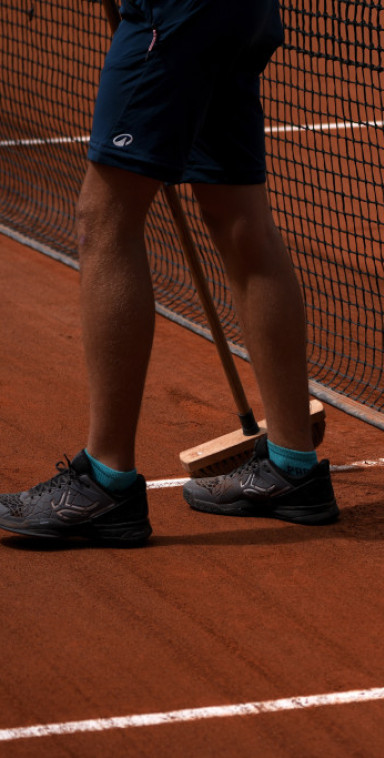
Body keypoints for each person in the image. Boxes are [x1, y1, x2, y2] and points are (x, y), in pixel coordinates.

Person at [0, 0, 338, 543]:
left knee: (103, 218)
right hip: (237, 11)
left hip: (176, 14)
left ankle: (105, 483)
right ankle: (293, 468)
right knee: (241, 221)